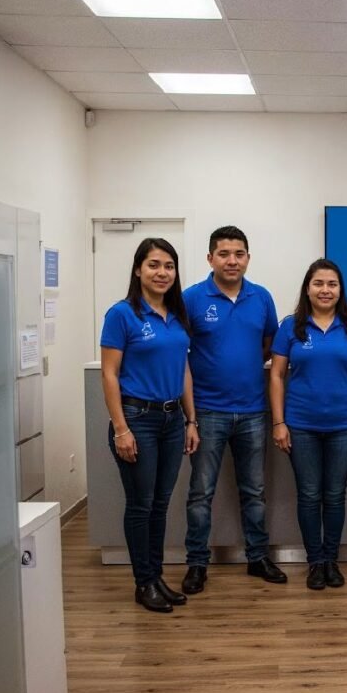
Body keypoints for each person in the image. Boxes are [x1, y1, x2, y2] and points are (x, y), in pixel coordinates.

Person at [180, 226, 286, 595]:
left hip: (253, 411)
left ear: (248, 258)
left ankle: (257, 557)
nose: (232, 261)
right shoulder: (192, 298)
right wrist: (191, 416)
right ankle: (197, 563)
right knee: (200, 493)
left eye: (239, 254)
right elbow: (179, 352)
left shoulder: (261, 297)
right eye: (224, 254)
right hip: (207, 411)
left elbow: (268, 345)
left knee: (254, 491)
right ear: (210, 258)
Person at [100, 238, 199, 614]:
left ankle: (156, 578)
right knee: (141, 505)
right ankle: (144, 583)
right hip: (137, 419)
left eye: (169, 266)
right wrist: (121, 428)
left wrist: (191, 420)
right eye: (154, 265)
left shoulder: (176, 315)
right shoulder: (122, 314)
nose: (162, 272)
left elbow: (183, 369)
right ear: (138, 269)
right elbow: (109, 375)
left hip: (172, 421)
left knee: (160, 504)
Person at [269, 259, 347, 591]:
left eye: (332, 284)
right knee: (309, 494)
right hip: (301, 425)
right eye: (318, 283)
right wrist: (279, 422)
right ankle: (315, 561)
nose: (325, 290)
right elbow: (276, 375)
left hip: (343, 425)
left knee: (336, 495)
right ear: (307, 288)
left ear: (340, 290)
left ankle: (331, 560)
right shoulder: (291, 326)